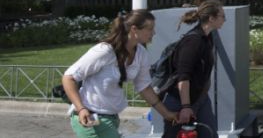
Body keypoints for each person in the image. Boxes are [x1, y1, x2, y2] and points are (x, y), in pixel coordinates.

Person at [62, 10, 177, 138]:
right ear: (134, 29)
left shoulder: (141, 53)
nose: (154, 33)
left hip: (111, 118)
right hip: (89, 116)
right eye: (150, 29)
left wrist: (166, 114)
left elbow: (144, 87)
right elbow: (69, 77)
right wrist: (81, 108)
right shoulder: (104, 51)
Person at [161, 0, 226, 138]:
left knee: (210, 134)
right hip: (179, 101)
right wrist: (185, 107)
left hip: (199, 98)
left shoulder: (207, 38)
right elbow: (183, 76)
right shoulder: (193, 42)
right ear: (211, 18)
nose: (224, 20)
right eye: (222, 16)